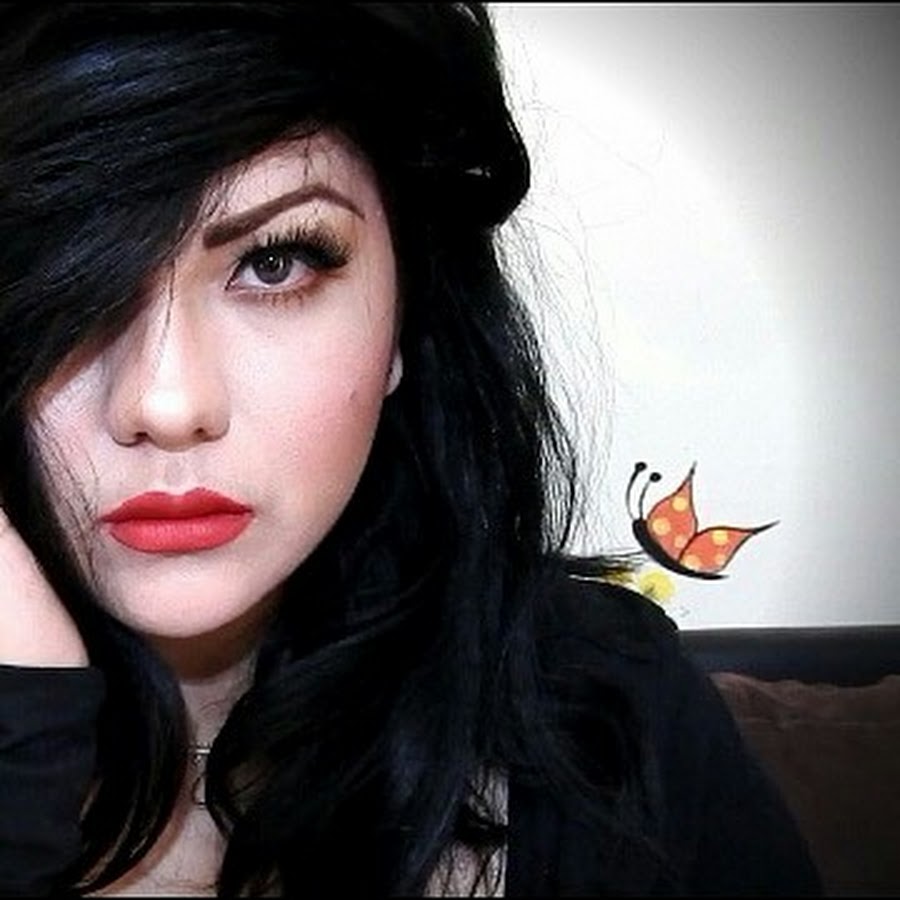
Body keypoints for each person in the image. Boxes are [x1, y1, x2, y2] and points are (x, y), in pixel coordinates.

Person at [0, 3, 822, 896]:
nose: (166, 403)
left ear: (404, 315)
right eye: (66, 271)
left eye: (276, 262)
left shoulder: (612, 707)